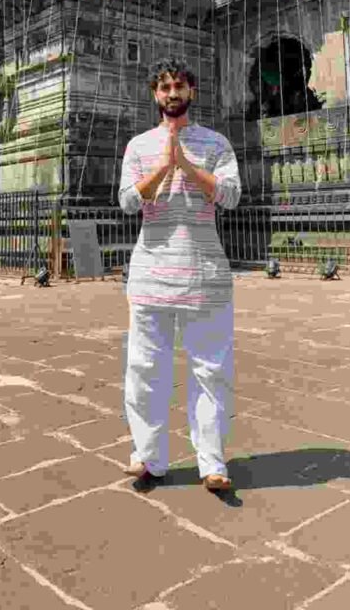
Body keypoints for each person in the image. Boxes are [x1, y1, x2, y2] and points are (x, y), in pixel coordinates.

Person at [118, 57, 241, 492]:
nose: (173, 94)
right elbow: (128, 202)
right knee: (144, 369)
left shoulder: (216, 143)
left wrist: (187, 165)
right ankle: (148, 457)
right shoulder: (138, 146)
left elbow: (231, 196)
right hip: (151, 273)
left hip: (205, 274)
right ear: (155, 94)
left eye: (179, 86)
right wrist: (164, 166)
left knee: (210, 370)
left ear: (192, 92)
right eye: (165, 87)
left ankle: (212, 461)